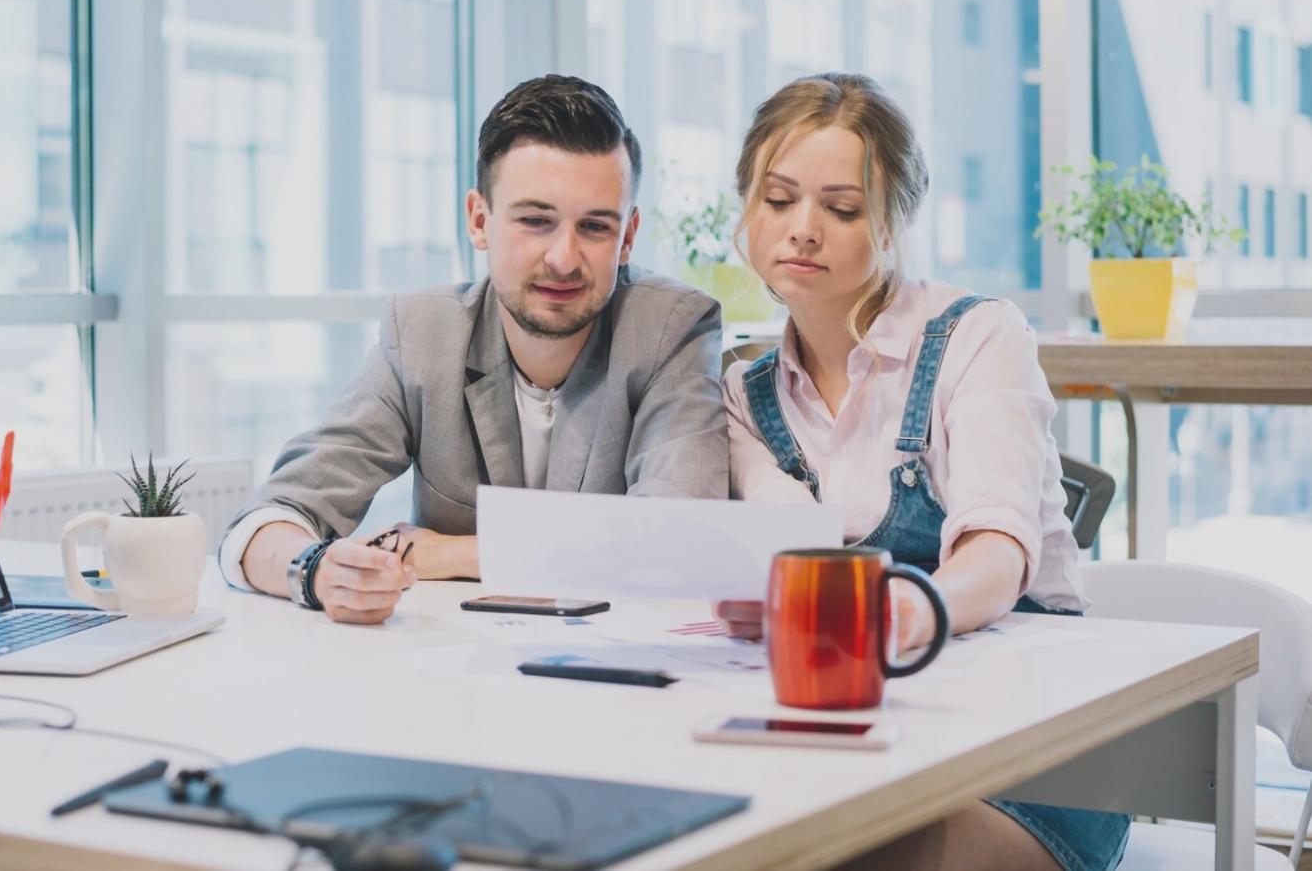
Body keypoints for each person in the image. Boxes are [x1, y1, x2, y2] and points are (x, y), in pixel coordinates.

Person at [719, 73, 1129, 871]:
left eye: (841, 208)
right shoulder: (743, 393)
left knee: (837, 849)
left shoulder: (979, 337)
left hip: (1027, 756)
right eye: (777, 200)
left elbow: (996, 555)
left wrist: (908, 610)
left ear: (895, 222)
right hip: (856, 737)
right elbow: (786, 547)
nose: (802, 230)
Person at [218, 75, 728, 624]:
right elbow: (267, 520)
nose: (563, 257)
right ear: (479, 220)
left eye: (595, 227)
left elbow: (682, 541)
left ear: (627, 237)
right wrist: (316, 571)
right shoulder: (420, 333)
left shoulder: (671, 328)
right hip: (454, 673)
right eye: (535, 221)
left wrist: (455, 552)